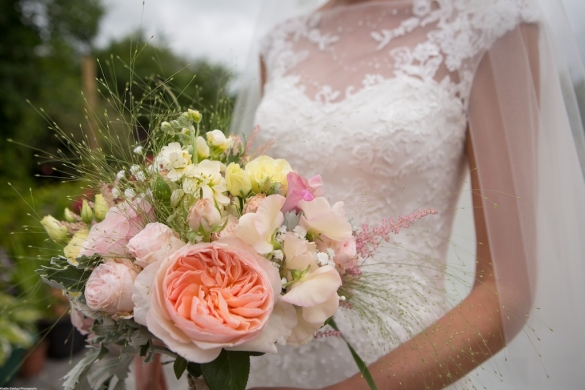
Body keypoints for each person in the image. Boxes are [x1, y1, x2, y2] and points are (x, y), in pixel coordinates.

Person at [226, 0, 585, 389]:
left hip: (403, 367)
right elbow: (255, 212)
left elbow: (504, 292)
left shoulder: (493, 25)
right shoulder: (282, 42)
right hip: (265, 361)